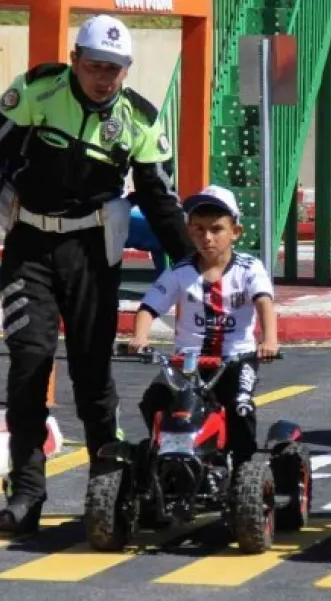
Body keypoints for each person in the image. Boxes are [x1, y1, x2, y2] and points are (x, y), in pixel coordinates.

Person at [0, 14, 193, 535]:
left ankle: (109, 483)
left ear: (126, 71)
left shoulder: (141, 120)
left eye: (116, 69)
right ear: (75, 61)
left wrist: (193, 266)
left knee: (90, 370)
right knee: (29, 363)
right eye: (96, 66)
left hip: (92, 249)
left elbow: (160, 200)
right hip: (29, 245)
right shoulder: (37, 91)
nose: (104, 78)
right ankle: (28, 491)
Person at [130, 184, 280, 470]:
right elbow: (149, 307)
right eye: (198, 229)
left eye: (216, 229)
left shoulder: (249, 268)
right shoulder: (179, 271)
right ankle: (165, 460)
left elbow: (264, 302)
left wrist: (269, 340)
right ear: (189, 231)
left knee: (240, 405)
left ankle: (243, 469)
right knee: (154, 402)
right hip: (186, 361)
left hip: (236, 358)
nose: (207, 237)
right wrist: (140, 337)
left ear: (235, 232)